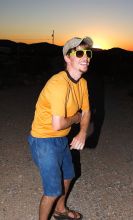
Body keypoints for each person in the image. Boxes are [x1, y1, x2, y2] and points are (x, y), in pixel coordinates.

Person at [28, 36, 93, 220]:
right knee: (52, 190)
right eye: (79, 53)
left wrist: (82, 131)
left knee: (68, 176)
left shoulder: (83, 83)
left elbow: (87, 112)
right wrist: (76, 118)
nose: (85, 57)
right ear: (67, 58)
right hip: (43, 140)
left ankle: (60, 210)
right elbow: (58, 124)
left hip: (61, 139)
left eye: (87, 53)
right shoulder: (58, 84)